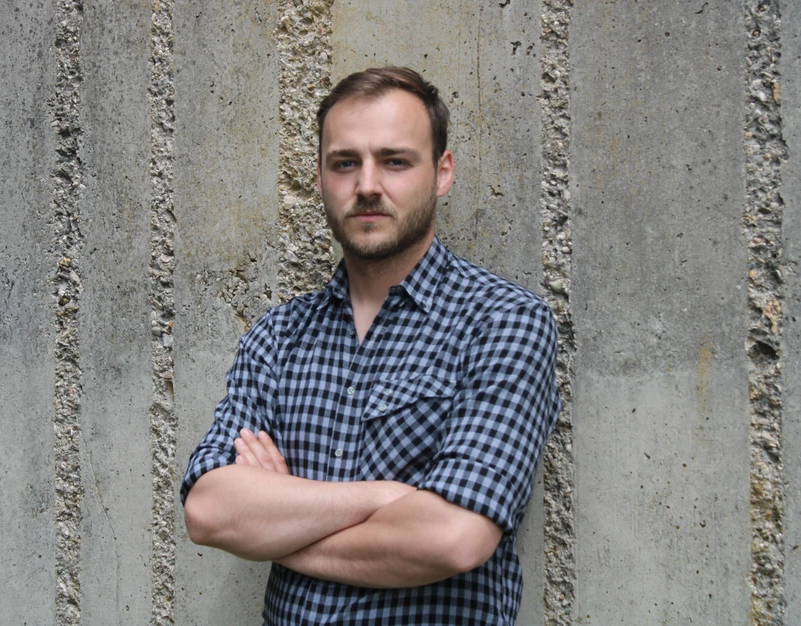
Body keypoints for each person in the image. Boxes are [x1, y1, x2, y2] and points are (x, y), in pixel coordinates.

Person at [181, 66, 561, 625]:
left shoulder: (502, 321)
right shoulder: (277, 337)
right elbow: (209, 511)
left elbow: (453, 537)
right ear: (319, 177)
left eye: (395, 161)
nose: (366, 185)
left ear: (442, 172)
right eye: (344, 163)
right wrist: (382, 497)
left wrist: (278, 526)